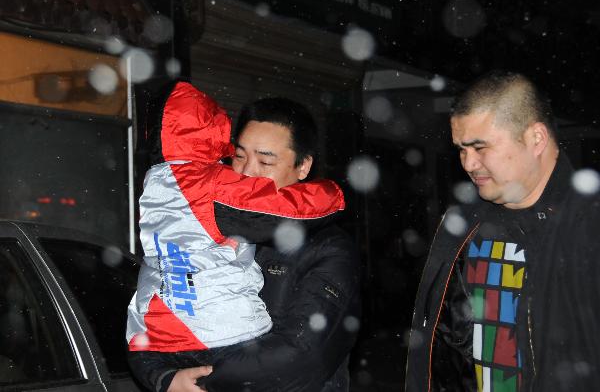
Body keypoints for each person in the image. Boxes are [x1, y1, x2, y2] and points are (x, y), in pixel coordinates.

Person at [129, 84, 361, 391]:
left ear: (303, 166)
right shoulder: (202, 224)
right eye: (239, 156)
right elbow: (152, 316)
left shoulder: (329, 248)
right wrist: (165, 379)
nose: (248, 173)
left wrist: (203, 378)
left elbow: (302, 357)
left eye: (265, 162)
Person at [405, 70, 600, 392]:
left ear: (536, 139)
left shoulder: (587, 226)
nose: (468, 163)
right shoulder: (462, 225)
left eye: (480, 147)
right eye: (461, 149)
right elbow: (441, 343)